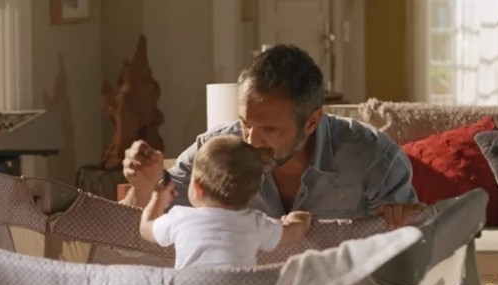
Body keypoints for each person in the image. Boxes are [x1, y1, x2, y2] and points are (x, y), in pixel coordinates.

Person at [121, 44, 422, 229]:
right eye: (245, 123)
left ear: (312, 122)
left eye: (270, 130)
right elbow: (142, 226)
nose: (251, 141)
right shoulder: (214, 150)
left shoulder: (374, 159)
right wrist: (142, 188)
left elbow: (409, 253)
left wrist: (404, 225)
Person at [140, 134, 311, 269]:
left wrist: (157, 198)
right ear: (251, 193)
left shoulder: (180, 218)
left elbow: (145, 228)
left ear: (198, 187)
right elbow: (292, 235)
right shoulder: (255, 222)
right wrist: (299, 219)